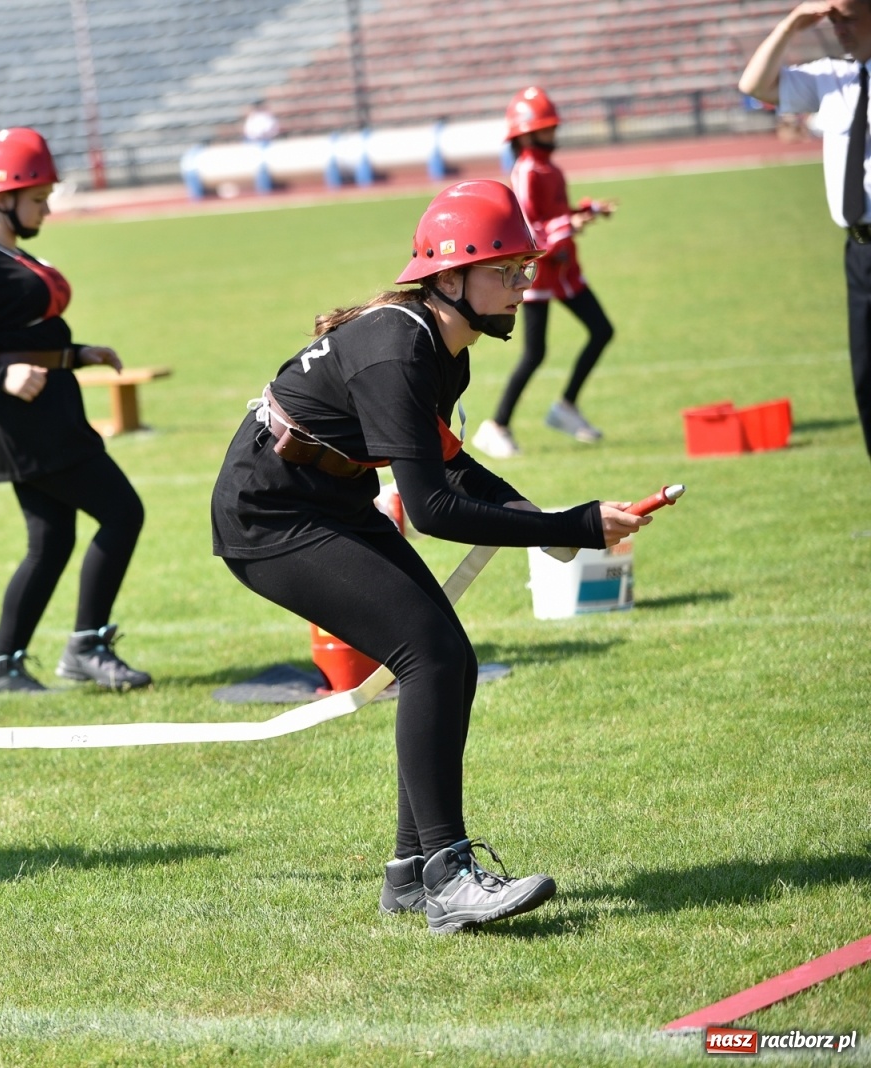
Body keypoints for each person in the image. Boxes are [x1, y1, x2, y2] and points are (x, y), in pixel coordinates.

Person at [211, 180, 650, 933]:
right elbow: (436, 508)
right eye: (505, 270)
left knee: (449, 658)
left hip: (325, 503)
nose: (522, 286)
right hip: (270, 517)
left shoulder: (443, 347)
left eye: (524, 270)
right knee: (434, 657)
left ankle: (414, 875)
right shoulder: (399, 350)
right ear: (448, 277)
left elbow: (449, 465)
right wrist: (570, 525)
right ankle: (448, 876)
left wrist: (548, 520)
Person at [0, 127, 150, 696]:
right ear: (1, 198)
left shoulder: (4, 253)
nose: (46, 209)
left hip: (47, 411)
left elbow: (16, 334)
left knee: (51, 542)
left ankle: (3, 668)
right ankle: (87, 646)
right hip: (27, 424)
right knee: (123, 513)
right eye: (37, 199)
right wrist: (0, 377)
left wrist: (77, 354)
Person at [740, 0, 871, 462]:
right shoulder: (836, 76)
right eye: (833, 18)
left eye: (848, 17)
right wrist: (793, 22)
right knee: (866, 381)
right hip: (858, 252)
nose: (838, 28)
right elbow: (753, 85)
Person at [471, 87, 617, 460]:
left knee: (601, 330)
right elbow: (529, 227)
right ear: (526, 133)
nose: (553, 134)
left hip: (564, 270)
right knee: (534, 353)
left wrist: (584, 211)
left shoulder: (549, 168)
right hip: (539, 271)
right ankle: (496, 426)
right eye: (545, 127)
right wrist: (570, 223)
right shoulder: (526, 170)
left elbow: (555, 213)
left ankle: (566, 407)